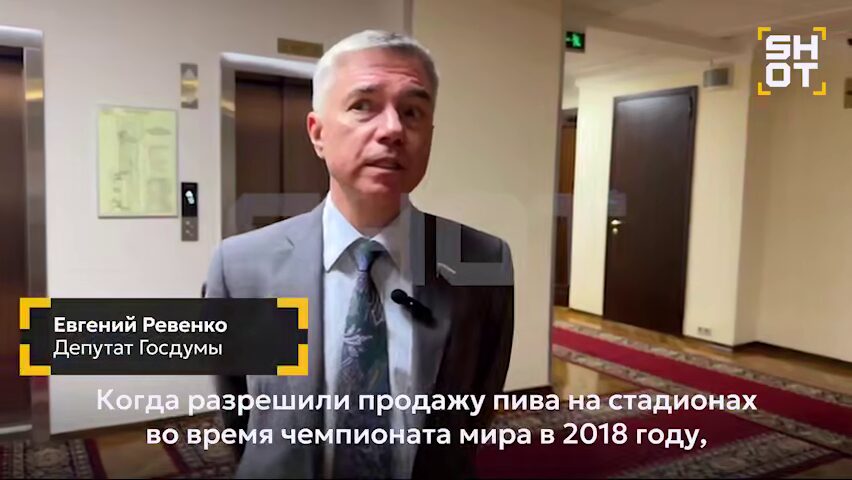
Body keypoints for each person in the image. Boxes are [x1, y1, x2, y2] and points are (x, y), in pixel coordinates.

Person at [205, 30, 514, 479]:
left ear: (429, 134)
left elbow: (477, 404)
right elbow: (242, 420)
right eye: (363, 105)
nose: (392, 130)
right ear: (318, 133)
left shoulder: (481, 261)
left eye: (412, 111)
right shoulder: (242, 268)